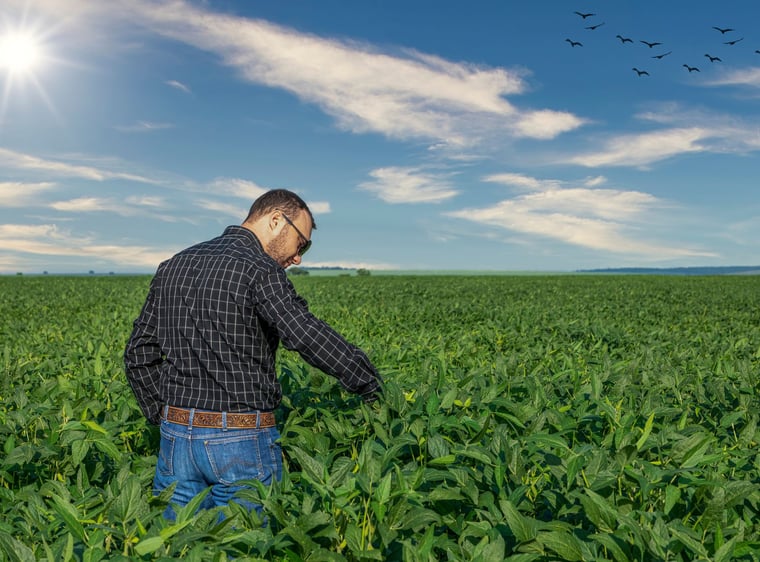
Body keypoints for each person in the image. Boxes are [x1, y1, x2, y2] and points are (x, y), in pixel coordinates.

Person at [124, 188, 382, 519]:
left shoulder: (173, 266)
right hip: (240, 438)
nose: (298, 257)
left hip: (175, 440)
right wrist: (370, 384)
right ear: (276, 220)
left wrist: (160, 414)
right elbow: (304, 333)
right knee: (246, 548)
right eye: (301, 243)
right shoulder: (259, 269)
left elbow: (138, 352)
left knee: (179, 547)